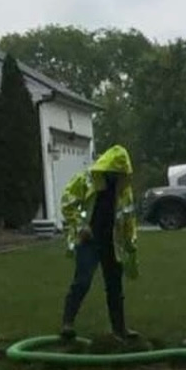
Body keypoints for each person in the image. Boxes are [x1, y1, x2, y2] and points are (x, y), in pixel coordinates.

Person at [58, 145, 140, 340]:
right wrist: (81, 225)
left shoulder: (123, 190)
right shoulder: (87, 180)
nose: (118, 177)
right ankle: (67, 324)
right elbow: (68, 203)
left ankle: (120, 329)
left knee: (115, 286)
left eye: (121, 173)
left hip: (112, 243)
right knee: (82, 281)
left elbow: (128, 217)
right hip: (89, 240)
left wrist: (129, 243)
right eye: (115, 172)